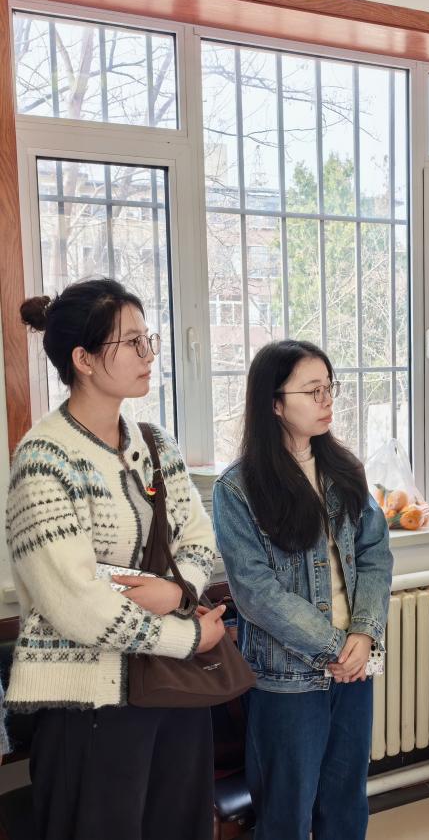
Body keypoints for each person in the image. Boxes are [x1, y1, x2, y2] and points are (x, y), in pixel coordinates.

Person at [6, 278, 224, 840]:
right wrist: (186, 636)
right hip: (90, 703)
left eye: (147, 338)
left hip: (174, 690)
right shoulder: (44, 458)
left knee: (182, 826)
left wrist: (177, 591)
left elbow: (199, 538)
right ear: (82, 360)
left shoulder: (154, 443)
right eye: (130, 342)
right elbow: (77, 602)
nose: (148, 354)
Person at [212, 340, 393, 840]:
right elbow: (256, 593)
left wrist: (364, 635)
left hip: (354, 667)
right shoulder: (238, 489)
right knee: (285, 815)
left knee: (346, 806)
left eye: (330, 388)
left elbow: (375, 554)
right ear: (274, 403)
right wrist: (337, 647)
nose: (327, 400)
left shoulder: (345, 470)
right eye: (312, 391)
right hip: (286, 679)